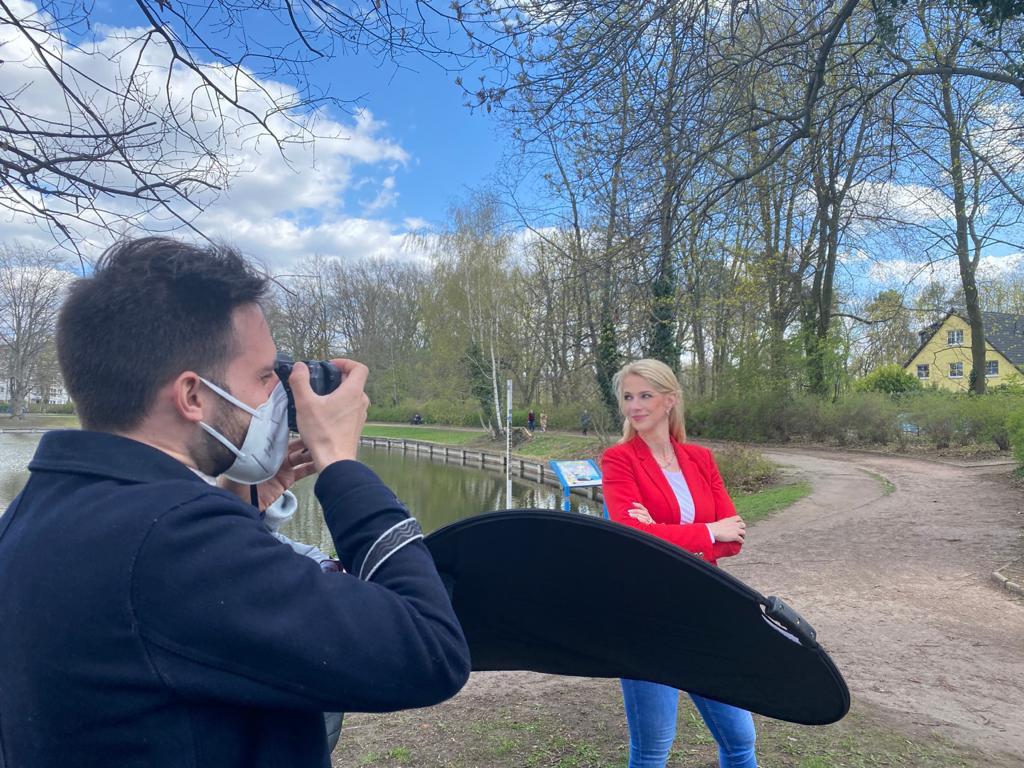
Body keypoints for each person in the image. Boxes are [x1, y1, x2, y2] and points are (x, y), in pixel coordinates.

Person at [0, 237, 470, 768]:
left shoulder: (37, 512)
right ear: (193, 396)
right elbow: (429, 651)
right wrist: (342, 466)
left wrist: (239, 510)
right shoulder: (171, 541)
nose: (277, 395)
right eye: (266, 376)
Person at [600, 359, 756, 768]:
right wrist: (707, 531)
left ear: (669, 400)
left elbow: (734, 538)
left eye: (645, 395)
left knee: (740, 740)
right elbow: (632, 538)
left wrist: (660, 531)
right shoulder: (618, 460)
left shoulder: (701, 459)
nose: (635, 406)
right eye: (628, 397)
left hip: (704, 610)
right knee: (653, 749)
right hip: (647, 617)